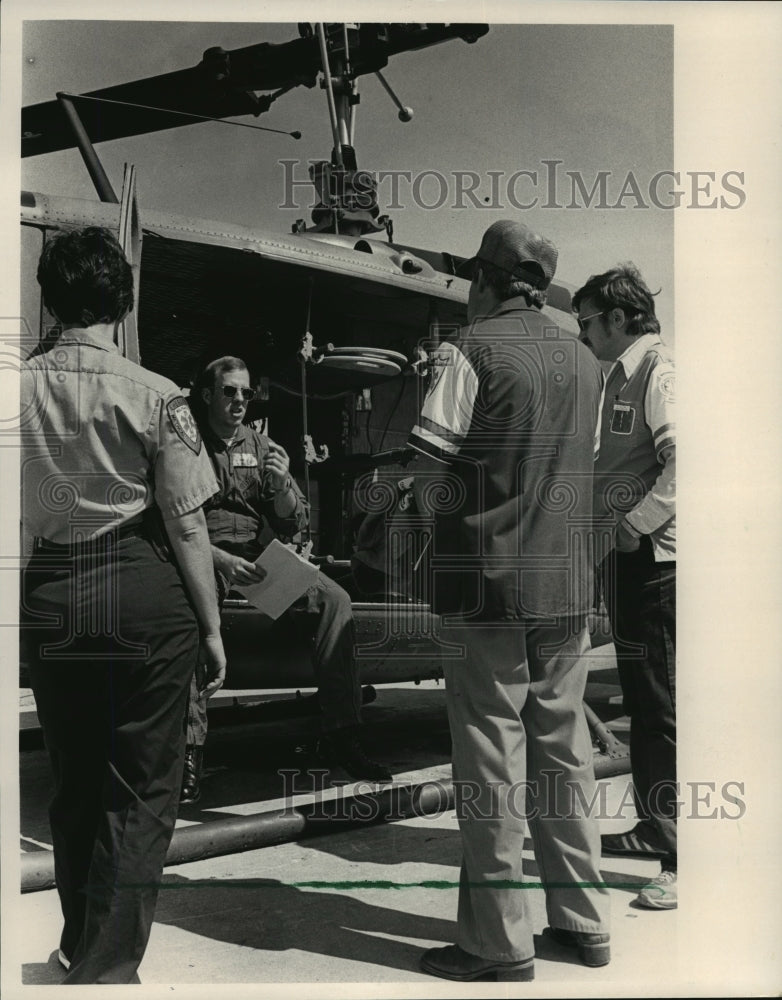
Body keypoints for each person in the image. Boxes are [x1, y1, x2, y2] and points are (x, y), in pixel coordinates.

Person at [20, 227, 225, 984]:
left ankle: (79, 941)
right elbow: (188, 521)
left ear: (50, 299)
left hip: (51, 593)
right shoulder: (158, 394)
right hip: (140, 589)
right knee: (141, 786)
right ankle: (107, 969)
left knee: (73, 778)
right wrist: (210, 628)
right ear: (122, 299)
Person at [409, 220, 610, 982]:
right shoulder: (585, 359)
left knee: (493, 764)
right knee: (564, 757)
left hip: (487, 588)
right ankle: (584, 924)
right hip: (567, 588)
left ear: (486, 279)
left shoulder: (472, 348)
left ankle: (498, 944)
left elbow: (429, 476)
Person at [180, 355, 392, 803]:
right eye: (229, 391)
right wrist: (218, 561)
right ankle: (189, 753)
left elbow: (293, 524)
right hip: (203, 555)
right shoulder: (186, 442)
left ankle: (343, 735)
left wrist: (279, 484)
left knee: (333, 599)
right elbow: (176, 521)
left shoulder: (260, 446)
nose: (240, 400)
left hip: (256, 560)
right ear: (206, 395)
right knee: (191, 616)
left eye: (246, 392)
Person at [572, 264, 676, 910]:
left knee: (660, 707)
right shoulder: (619, 374)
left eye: (586, 323)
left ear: (617, 318)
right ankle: (654, 824)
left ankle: (677, 859)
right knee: (643, 702)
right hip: (627, 561)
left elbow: (686, 456)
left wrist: (636, 526)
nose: (582, 334)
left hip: (653, 567)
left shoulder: (658, 372)